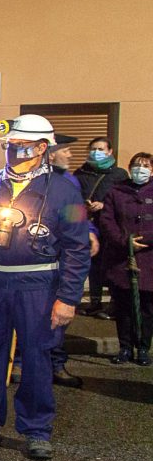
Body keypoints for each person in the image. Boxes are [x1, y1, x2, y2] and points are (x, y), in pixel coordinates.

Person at [0, 115, 90, 461]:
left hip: (39, 286)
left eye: (22, 146)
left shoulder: (65, 190)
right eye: (9, 146)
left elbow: (77, 246)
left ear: (43, 148)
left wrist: (68, 298)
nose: (14, 152)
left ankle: (37, 430)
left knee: (37, 357)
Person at [44, 135, 99, 387]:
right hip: (36, 260)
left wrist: (89, 232)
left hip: (61, 260)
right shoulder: (32, 180)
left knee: (58, 316)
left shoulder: (68, 182)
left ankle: (56, 364)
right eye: (65, 150)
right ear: (50, 153)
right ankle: (21, 363)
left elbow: (76, 216)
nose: (70, 155)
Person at [100, 152, 153, 365]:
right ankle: (124, 347)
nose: (140, 169)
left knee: (147, 307)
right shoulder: (116, 191)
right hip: (122, 257)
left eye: (146, 165)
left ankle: (143, 347)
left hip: (149, 258)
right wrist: (125, 241)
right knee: (123, 307)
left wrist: (147, 239)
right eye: (137, 165)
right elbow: (107, 220)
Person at [74, 137, 129, 319]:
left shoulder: (119, 175)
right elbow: (71, 199)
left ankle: (114, 303)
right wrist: (85, 204)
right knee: (92, 265)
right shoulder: (80, 173)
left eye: (100, 149)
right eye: (93, 149)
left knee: (112, 265)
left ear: (110, 151)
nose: (96, 152)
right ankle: (95, 302)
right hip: (88, 226)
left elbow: (124, 200)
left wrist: (104, 205)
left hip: (110, 227)